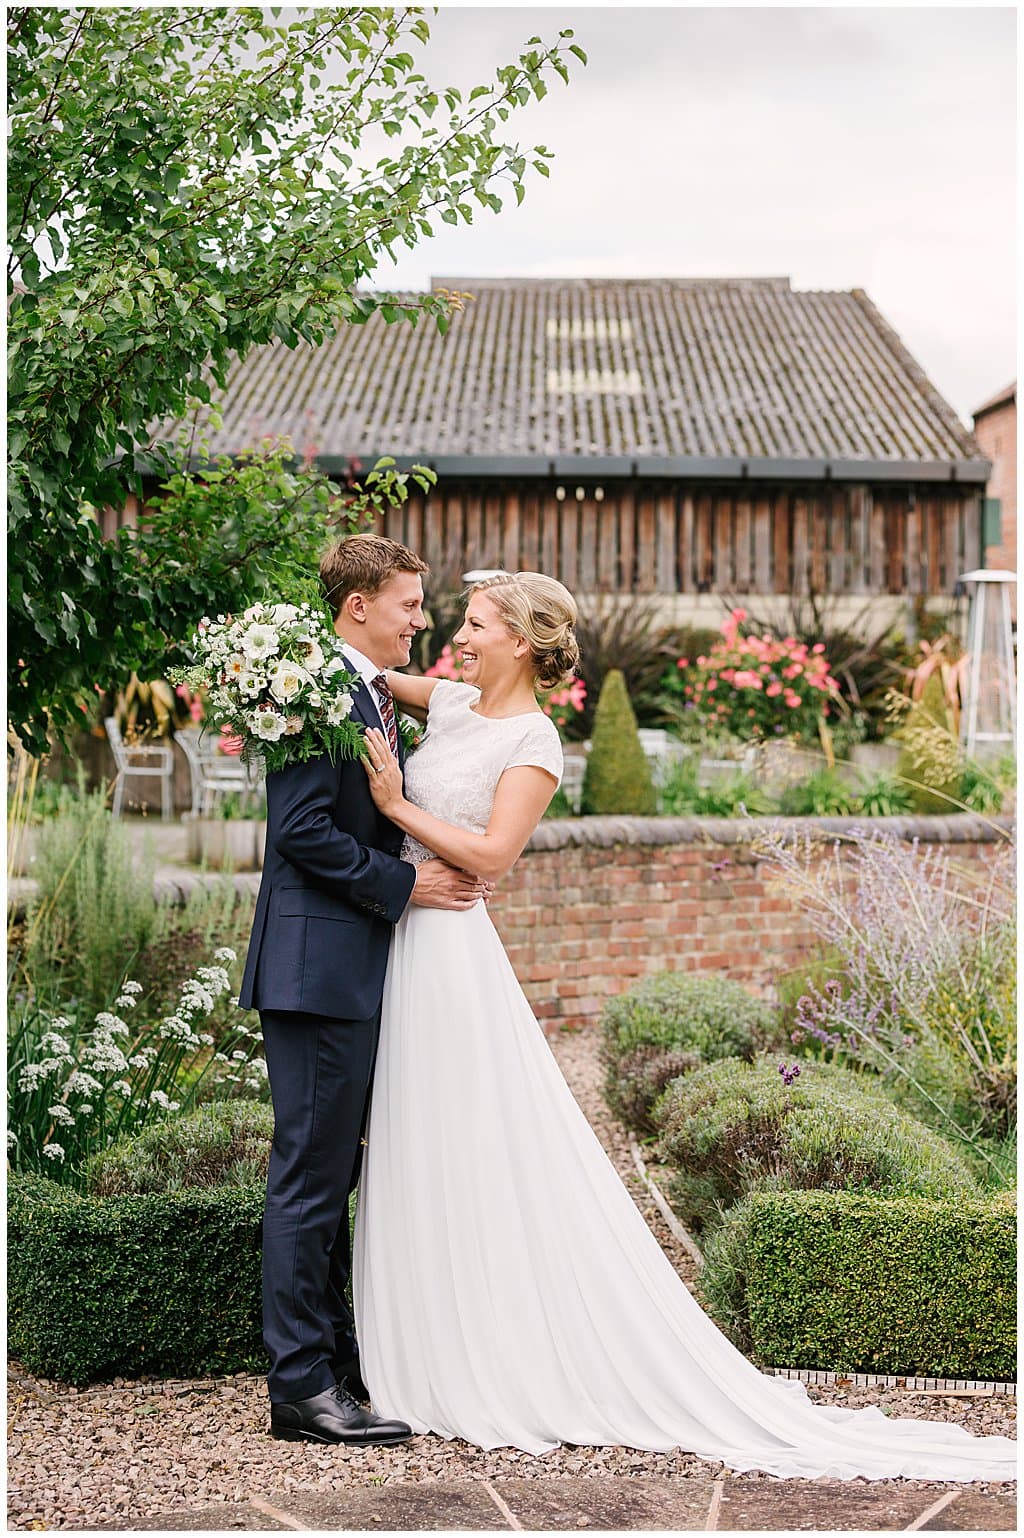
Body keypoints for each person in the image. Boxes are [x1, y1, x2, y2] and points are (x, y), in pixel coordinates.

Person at [352, 570, 1016, 1483]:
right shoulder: (454, 698)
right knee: (414, 1138)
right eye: (457, 622)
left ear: (523, 642)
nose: (455, 637)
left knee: (467, 1140)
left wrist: (394, 807)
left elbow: (496, 854)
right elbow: (362, 676)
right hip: (405, 938)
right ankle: (413, 1335)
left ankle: (479, 1346)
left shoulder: (536, 740)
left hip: (454, 946)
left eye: (473, 624)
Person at [238, 534, 492, 1446]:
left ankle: (337, 1363)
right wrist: (407, 884)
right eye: (409, 604)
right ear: (358, 608)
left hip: (349, 966)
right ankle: (301, 1388)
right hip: (315, 971)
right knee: (310, 1176)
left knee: (335, 1171)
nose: (421, 620)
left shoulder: (367, 692)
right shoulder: (315, 693)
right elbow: (301, 830)